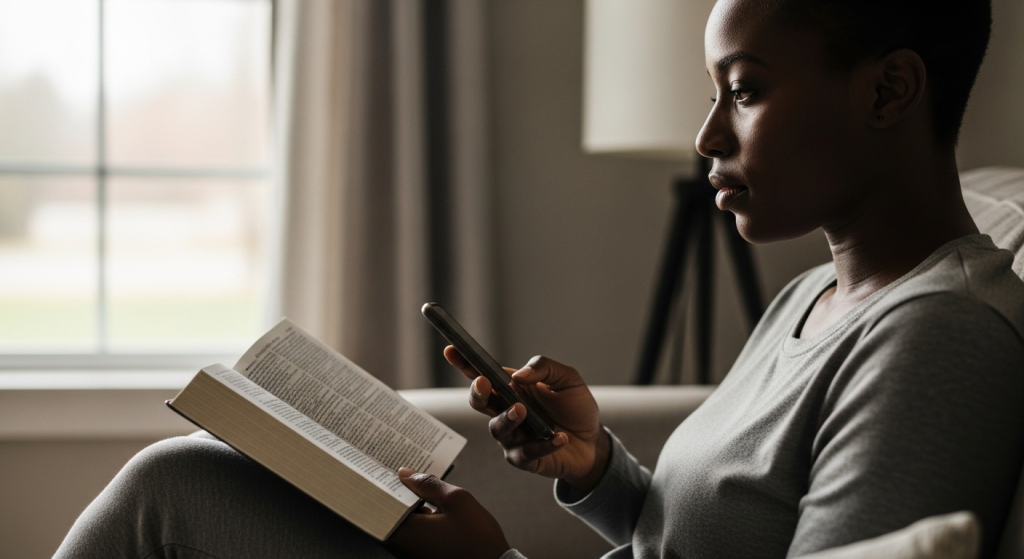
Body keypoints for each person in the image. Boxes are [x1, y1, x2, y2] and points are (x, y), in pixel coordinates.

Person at [55, 0, 1024, 558]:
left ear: (889, 90)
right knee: (180, 479)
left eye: (744, 90)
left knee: (169, 496)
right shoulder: (810, 297)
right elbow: (699, 536)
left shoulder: (939, 338)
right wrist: (596, 467)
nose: (706, 137)